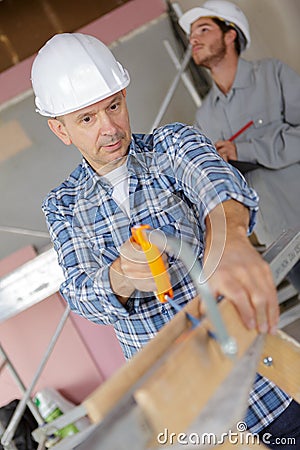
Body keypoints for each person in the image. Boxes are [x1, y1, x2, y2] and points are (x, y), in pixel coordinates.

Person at [31, 33, 295, 445]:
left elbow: (220, 191)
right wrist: (120, 275)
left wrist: (231, 244)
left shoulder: (171, 145)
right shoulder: (62, 206)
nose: (110, 128)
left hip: (266, 384)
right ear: (60, 130)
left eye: (114, 106)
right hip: (194, 419)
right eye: (87, 119)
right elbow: (81, 293)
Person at [179, 0, 300, 292]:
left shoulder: (272, 74)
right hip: (279, 238)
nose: (193, 39)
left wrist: (242, 149)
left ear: (230, 34)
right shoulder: (204, 116)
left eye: (203, 29)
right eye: (191, 34)